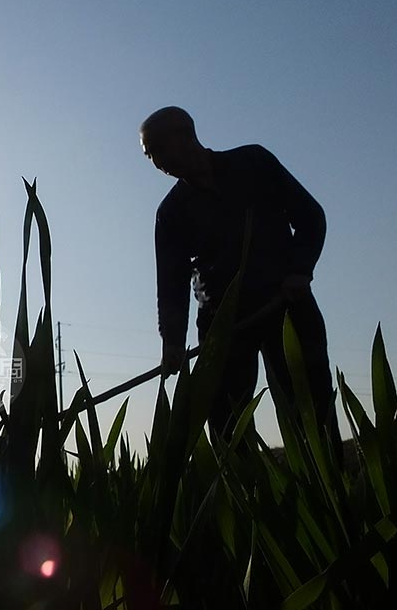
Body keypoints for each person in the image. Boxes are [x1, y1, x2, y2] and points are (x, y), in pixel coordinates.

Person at [139, 106, 340, 449]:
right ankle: (246, 499)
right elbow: (171, 284)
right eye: (149, 156)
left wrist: (300, 270)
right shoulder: (171, 213)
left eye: (158, 149)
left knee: (312, 416)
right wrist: (172, 342)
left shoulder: (254, 163)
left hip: (287, 306)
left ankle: (331, 496)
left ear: (186, 135)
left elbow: (310, 217)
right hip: (224, 326)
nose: (156, 163)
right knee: (228, 430)